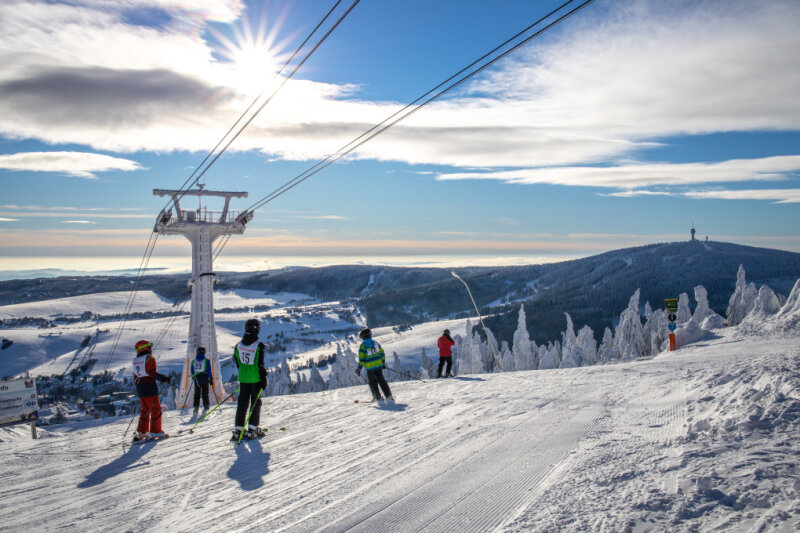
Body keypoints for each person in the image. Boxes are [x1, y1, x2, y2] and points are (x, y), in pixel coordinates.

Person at [232, 318, 267, 440]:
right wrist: (263, 378)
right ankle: (252, 427)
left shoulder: (239, 345)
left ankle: (238, 429)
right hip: (255, 378)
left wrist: (244, 371)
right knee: (256, 402)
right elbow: (260, 364)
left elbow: (236, 361)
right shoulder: (258, 345)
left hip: (243, 378)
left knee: (242, 403)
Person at [132, 339, 171, 441]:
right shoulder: (149, 359)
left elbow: (135, 376)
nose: (150, 348)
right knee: (156, 409)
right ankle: (156, 431)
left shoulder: (135, 361)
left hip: (139, 388)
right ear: (145, 348)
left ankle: (142, 432)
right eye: (149, 346)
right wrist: (164, 378)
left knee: (145, 410)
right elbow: (152, 373)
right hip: (149, 387)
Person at [356, 328, 393, 403]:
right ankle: (389, 396)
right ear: (370, 335)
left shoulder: (362, 346)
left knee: (372, 382)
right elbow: (382, 353)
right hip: (379, 366)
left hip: (370, 368)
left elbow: (362, 359)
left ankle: (377, 398)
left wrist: (359, 369)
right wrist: (383, 363)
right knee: (382, 381)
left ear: (363, 337)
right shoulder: (376, 343)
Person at [192, 346, 213, 416]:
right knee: (205, 394)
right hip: (204, 378)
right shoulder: (206, 361)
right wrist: (210, 378)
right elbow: (209, 370)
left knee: (196, 394)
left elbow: (192, 370)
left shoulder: (193, 361)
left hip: (197, 379)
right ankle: (206, 407)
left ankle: (196, 407)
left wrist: (193, 377)